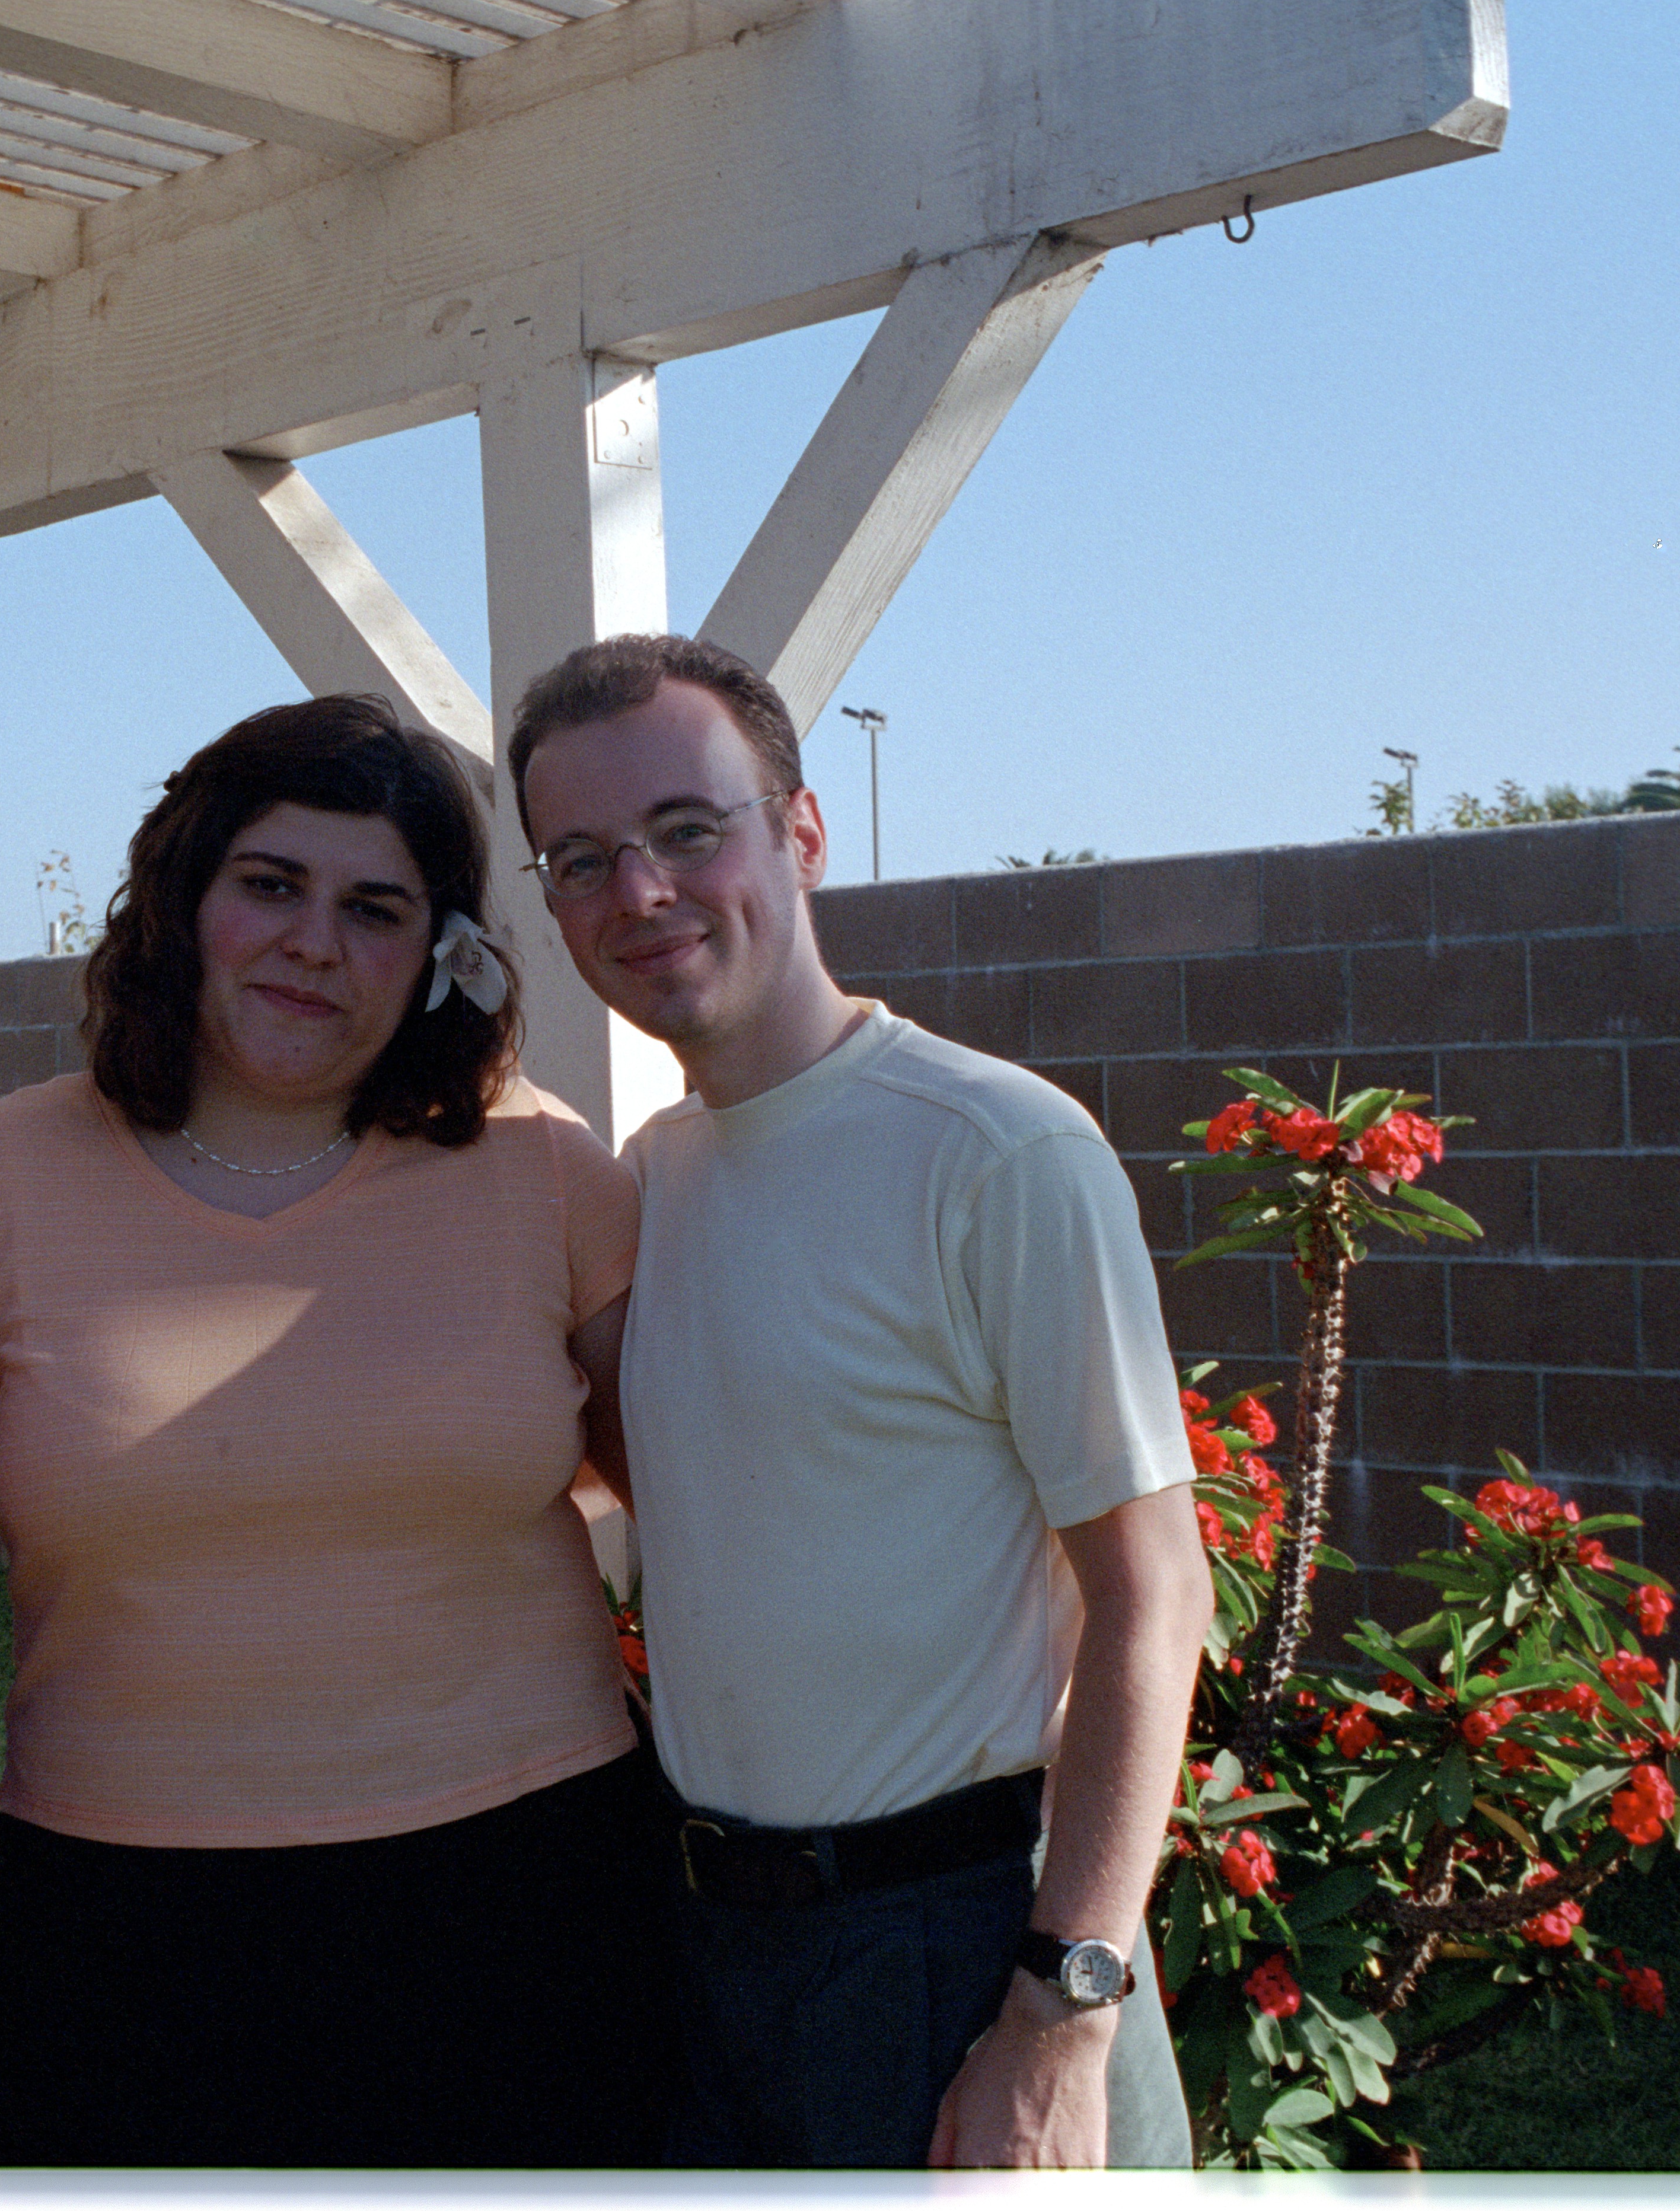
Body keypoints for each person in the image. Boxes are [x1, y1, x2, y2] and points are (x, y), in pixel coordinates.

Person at [0, 692, 670, 2168]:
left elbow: (710, 1525)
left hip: (532, 1914)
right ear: (182, 896)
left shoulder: (543, 1165)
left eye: (375, 908)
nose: (314, 942)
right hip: (129, 1945)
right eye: (270, 883)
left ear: (440, 950)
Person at [505, 633, 1214, 2170]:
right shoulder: (652, 1183)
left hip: (962, 1950)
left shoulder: (997, 1152)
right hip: (717, 1952)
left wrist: (1060, 2013)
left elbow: (1155, 1593)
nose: (639, 891)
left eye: (686, 829)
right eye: (582, 859)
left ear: (803, 831)